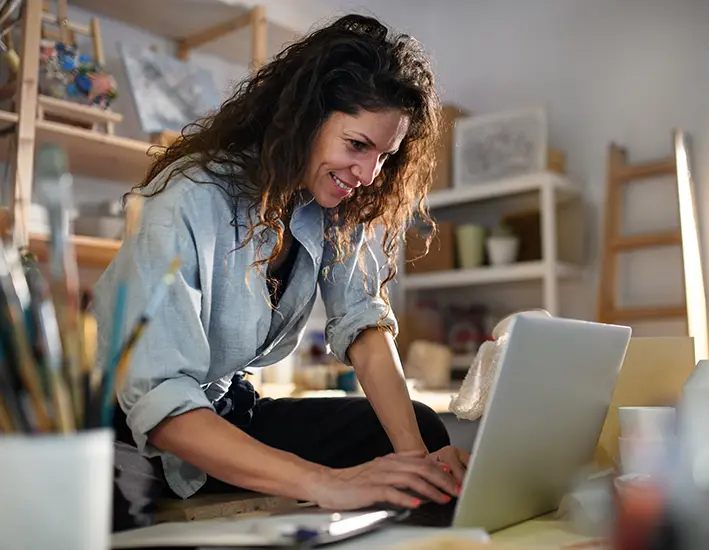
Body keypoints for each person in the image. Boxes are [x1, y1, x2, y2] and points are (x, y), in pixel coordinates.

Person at [94, 14, 470, 524]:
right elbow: (159, 401)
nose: (368, 175)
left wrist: (413, 461)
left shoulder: (335, 202)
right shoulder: (189, 197)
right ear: (304, 120)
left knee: (421, 436)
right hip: (131, 428)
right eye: (357, 146)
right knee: (111, 510)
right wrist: (326, 483)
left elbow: (363, 324)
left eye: (385, 156)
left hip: (229, 412)